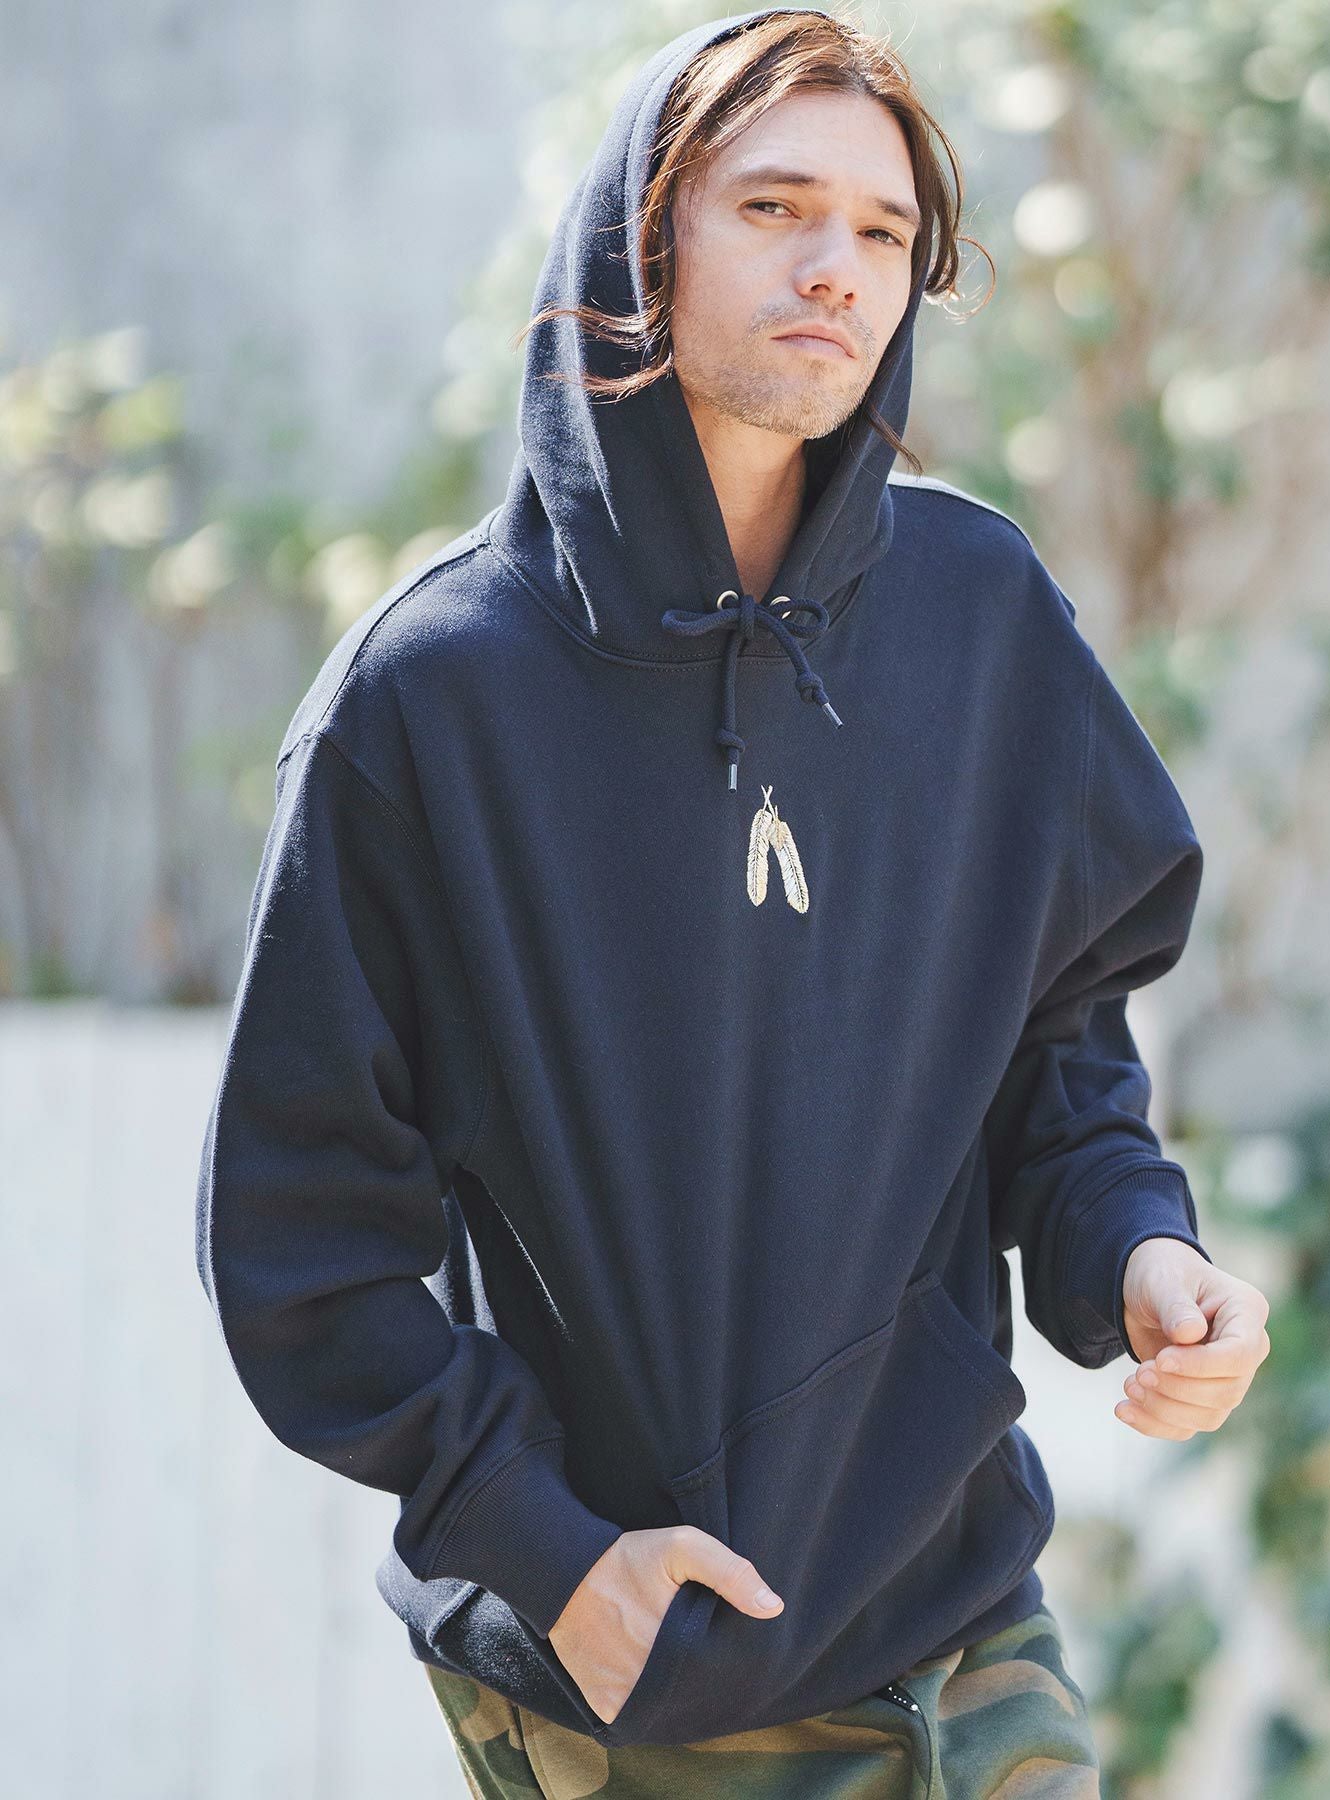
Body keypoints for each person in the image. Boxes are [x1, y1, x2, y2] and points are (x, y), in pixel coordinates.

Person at [195, 6, 1271, 1795]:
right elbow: (303, 1238)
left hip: (955, 1601)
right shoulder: (430, 694)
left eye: (882, 230)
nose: (837, 268)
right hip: (627, 1658)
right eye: (775, 207)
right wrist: (547, 1549)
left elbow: (1055, 1046)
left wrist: (1143, 1252)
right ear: (645, 239)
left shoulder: (983, 619)